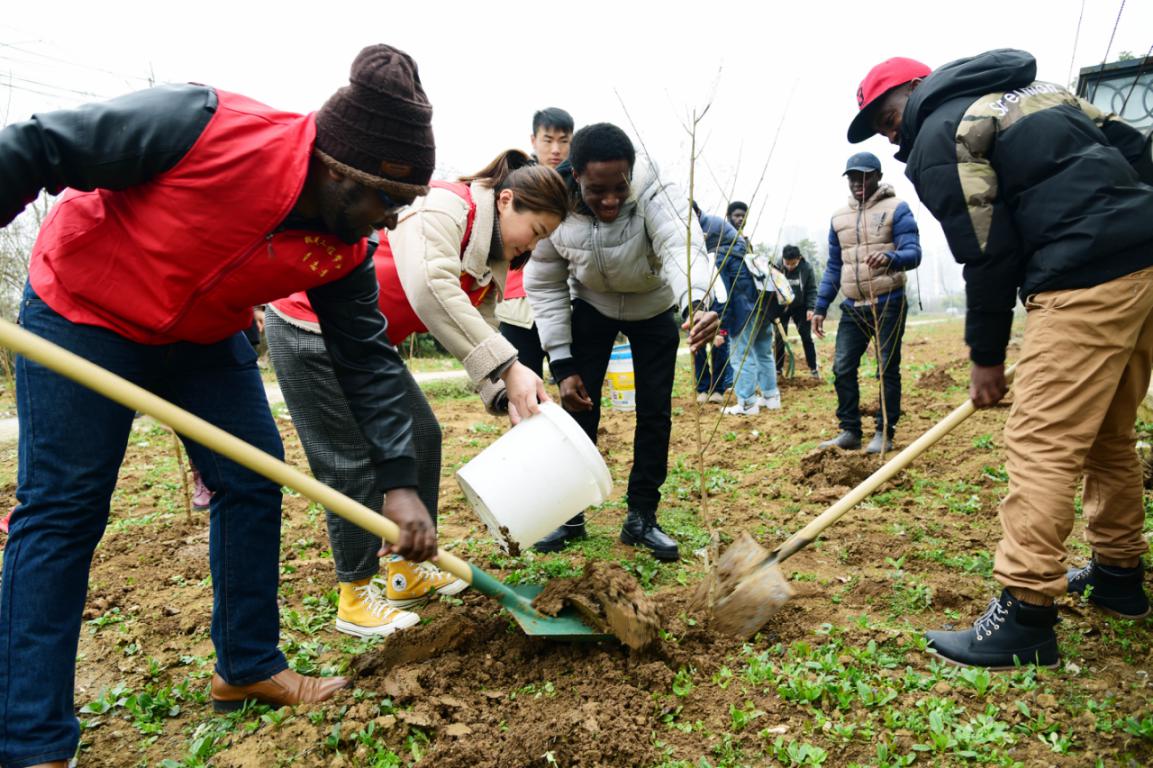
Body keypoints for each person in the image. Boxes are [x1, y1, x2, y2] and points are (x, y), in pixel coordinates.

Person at [0, 44, 438, 767]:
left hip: (202, 337)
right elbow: (40, 146)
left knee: (253, 478)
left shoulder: (344, 246)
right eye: (385, 202)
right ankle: (30, 740)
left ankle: (247, 666)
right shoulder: (201, 125)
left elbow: (364, 361)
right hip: (82, 313)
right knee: (65, 509)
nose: (388, 223)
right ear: (338, 171)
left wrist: (398, 481)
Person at [849, 49, 1153, 668]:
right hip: (1143, 263)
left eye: (886, 118)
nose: (890, 135)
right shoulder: (1040, 93)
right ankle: (1119, 576)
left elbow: (985, 251)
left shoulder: (940, 133)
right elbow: (1136, 149)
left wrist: (985, 356)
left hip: (1082, 276)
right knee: (1108, 435)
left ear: (915, 91)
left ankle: (1024, 614)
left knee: (1041, 440)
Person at [267, 150, 567, 637]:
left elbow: (476, 326)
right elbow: (431, 289)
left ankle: (405, 572)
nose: (531, 247)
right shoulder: (446, 208)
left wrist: (507, 390)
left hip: (365, 345)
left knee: (422, 435)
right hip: (309, 329)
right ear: (507, 200)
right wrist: (509, 367)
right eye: (535, 231)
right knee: (350, 463)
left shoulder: (486, 254)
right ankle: (356, 593)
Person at [525, 122, 719, 560]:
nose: (611, 200)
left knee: (654, 411)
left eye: (620, 187)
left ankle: (642, 516)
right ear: (576, 177)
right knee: (577, 407)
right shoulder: (555, 205)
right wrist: (562, 362)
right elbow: (545, 282)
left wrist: (698, 301)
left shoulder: (656, 192)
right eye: (597, 190)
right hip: (591, 306)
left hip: (653, 306)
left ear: (632, 174)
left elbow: (679, 244)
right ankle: (569, 513)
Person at [812, 151, 921, 454]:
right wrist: (821, 306)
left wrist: (890, 257)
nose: (858, 182)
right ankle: (849, 430)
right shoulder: (838, 217)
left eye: (865, 176)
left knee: (886, 368)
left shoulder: (897, 209)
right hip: (853, 306)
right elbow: (835, 267)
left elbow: (914, 252)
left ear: (877, 176)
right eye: (852, 177)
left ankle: (885, 431)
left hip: (889, 301)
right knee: (842, 367)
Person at [495, 108, 575, 379]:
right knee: (520, 381)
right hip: (517, 303)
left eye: (564, 141)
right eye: (547, 139)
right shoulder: (517, 180)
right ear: (533, 140)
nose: (556, 149)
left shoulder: (582, 186)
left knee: (571, 383)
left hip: (564, 302)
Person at [691, 202, 739, 404]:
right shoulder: (690, 257)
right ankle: (702, 387)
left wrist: (720, 323)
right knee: (698, 345)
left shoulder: (717, 258)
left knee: (720, 346)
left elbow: (722, 294)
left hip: (718, 308)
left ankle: (718, 389)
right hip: (697, 306)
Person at [774, 244, 819, 377]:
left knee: (806, 336)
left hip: (801, 307)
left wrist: (811, 308)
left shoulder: (807, 268)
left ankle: (813, 368)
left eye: (793, 263)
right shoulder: (776, 267)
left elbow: (812, 289)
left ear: (799, 259)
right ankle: (778, 369)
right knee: (780, 337)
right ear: (783, 259)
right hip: (781, 307)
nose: (790, 266)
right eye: (787, 263)